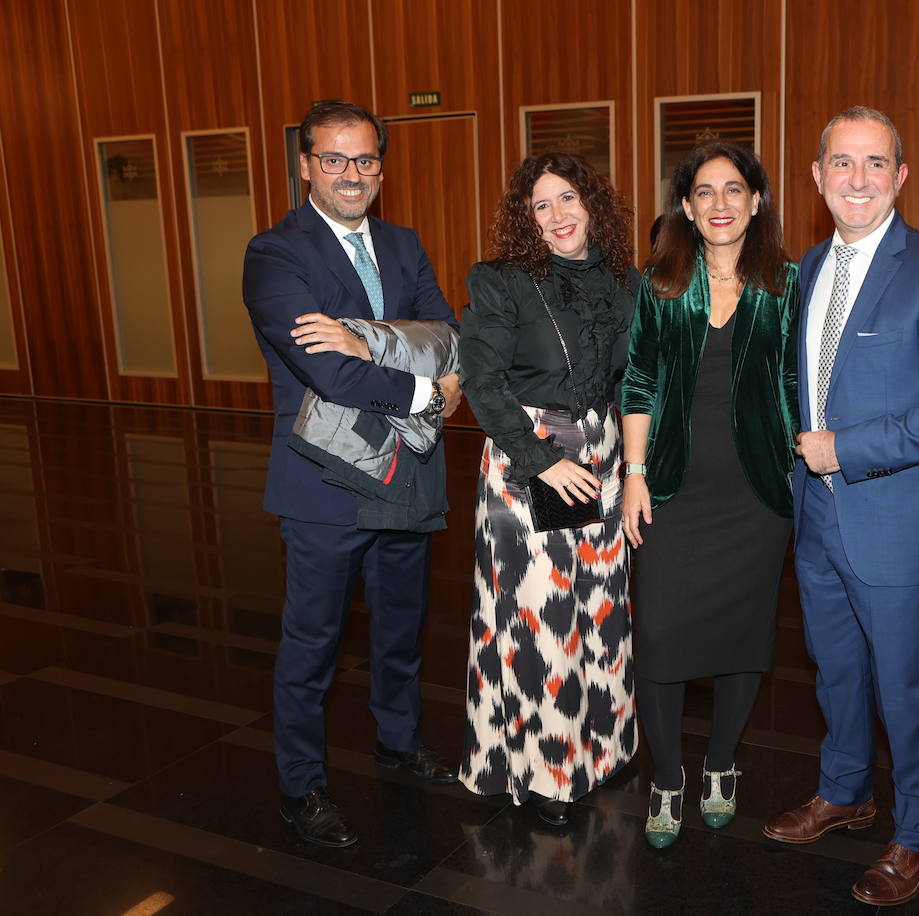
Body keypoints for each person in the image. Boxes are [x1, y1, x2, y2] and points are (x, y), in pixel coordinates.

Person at [763, 107, 919, 907]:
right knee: (835, 671)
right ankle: (845, 791)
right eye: (841, 163)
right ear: (818, 175)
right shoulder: (807, 266)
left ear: (899, 177)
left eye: (875, 164)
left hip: (895, 520)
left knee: (906, 688)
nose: (856, 179)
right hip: (817, 517)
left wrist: (844, 448)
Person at [243, 101, 463, 849]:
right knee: (314, 645)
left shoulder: (402, 243)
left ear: (381, 164)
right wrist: (423, 386)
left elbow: (451, 336)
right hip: (324, 480)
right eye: (333, 159)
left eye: (365, 159)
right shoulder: (275, 253)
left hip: (407, 474)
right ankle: (299, 787)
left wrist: (372, 339)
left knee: (401, 632)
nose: (351, 174)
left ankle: (398, 741)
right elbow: (326, 369)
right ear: (305, 164)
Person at [620, 142, 798, 848]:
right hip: (672, 486)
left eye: (734, 190)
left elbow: (801, 383)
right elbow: (638, 381)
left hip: (757, 491)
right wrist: (633, 473)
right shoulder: (660, 281)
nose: (720, 203)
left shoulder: (786, 282)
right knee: (658, 635)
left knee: (741, 639)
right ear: (687, 208)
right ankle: (668, 775)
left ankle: (721, 765)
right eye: (704, 191)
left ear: (756, 202)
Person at [458, 152, 639, 827]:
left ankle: (603, 749)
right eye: (542, 205)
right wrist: (541, 458)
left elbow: (629, 378)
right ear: (526, 219)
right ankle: (543, 773)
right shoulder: (503, 281)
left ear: (593, 204)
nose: (559, 216)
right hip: (528, 455)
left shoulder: (625, 281)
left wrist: (628, 459)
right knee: (542, 616)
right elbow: (484, 382)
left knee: (601, 605)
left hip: (602, 451)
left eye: (569, 198)